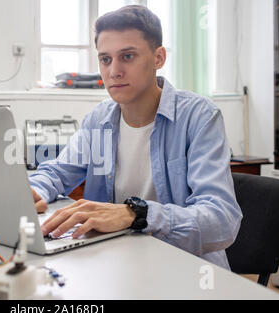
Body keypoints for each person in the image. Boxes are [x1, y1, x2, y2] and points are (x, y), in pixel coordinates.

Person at [29, 5, 242, 270]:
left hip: (185, 270)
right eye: (105, 59)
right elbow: (58, 172)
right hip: (116, 265)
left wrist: (137, 214)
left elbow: (222, 221)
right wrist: (34, 189)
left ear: (158, 58)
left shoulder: (199, 117)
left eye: (127, 56)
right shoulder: (99, 119)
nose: (113, 71)